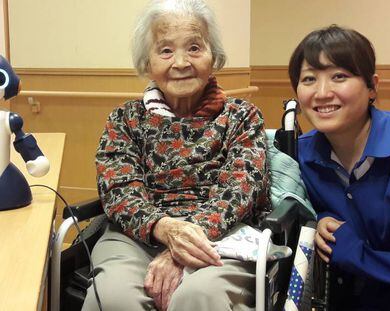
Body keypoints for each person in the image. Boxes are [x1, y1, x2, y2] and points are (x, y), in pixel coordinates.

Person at [82, 0, 268, 310]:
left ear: (214, 57)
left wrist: (182, 245)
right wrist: (165, 229)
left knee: (199, 296)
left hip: (219, 236)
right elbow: (118, 191)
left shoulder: (241, 117)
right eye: (166, 51)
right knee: (115, 298)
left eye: (194, 48)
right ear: (147, 63)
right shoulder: (125, 119)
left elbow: (241, 192)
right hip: (136, 238)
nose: (181, 62)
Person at [288, 25, 390, 310]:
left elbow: (349, 249)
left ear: (372, 87)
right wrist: (320, 219)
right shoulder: (301, 154)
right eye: (309, 79)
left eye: (339, 76)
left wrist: (355, 254)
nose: (321, 93)